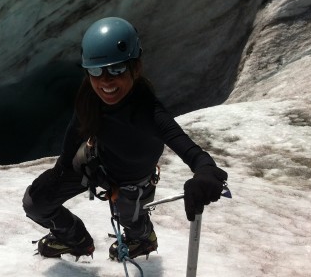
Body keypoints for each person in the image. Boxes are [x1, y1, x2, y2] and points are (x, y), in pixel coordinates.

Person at [22, 17, 228, 261]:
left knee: (130, 218)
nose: (105, 80)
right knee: (36, 202)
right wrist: (61, 170)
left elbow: (187, 147)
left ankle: (142, 239)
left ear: (135, 68)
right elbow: (76, 129)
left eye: (116, 69)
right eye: (96, 71)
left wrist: (205, 172)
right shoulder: (89, 95)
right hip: (95, 162)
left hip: (133, 180)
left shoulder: (149, 112)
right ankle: (73, 238)